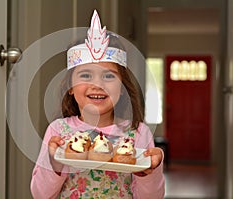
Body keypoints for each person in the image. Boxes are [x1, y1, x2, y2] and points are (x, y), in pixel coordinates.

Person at [30, 10, 165, 199]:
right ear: (70, 86)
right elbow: (40, 195)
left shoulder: (138, 133)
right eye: (86, 75)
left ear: (122, 87)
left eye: (109, 76)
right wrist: (54, 162)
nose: (98, 85)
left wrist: (150, 171)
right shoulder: (58, 132)